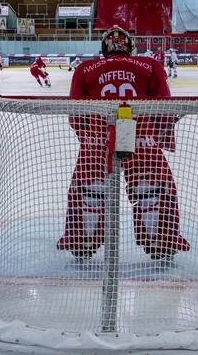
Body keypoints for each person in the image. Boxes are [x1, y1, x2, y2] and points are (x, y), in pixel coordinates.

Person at [58, 26, 190, 261]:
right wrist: (158, 137)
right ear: (129, 46)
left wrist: (88, 139)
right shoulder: (150, 65)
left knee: (91, 189)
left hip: (97, 135)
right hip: (141, 133)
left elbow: (75, 114)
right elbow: (163, 108)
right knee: (152, 189)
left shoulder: (85, 68)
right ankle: (161, 243)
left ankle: (83, 244)